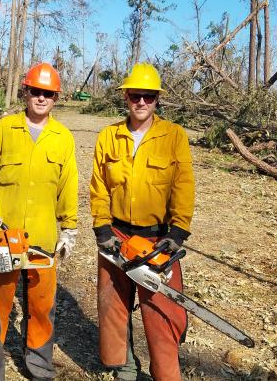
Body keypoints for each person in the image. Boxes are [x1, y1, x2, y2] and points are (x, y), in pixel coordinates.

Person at [0, 62, 78, 381]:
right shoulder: (5, 129)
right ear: (25, 92)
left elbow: (68, 185)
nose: (41, 98)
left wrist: (69, 228)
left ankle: (40, 367)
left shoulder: (63, 138)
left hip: (43, 237)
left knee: (43, 307)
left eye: (48, 93)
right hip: (3, 236)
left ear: (55, 97)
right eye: (36, 91)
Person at [89, 62, 195, 381]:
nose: (141, 103)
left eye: (148, 97)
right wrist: (102, 227)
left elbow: (183, 185)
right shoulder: (109, 137)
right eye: (136, 95)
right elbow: (98, 186)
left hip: (157, 238)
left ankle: (165, 375)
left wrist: (177, 231)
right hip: (117, 235)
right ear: (126, 97)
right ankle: (124, 369)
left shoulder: (173, 136)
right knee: (113, 307)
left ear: (157, 99)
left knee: (163, 313)